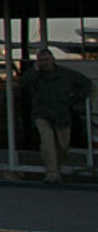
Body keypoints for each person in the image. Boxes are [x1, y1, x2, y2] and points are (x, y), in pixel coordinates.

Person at [19, 47, 93, 183]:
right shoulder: (35, 75)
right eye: (40, 60)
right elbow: (23, 84)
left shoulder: (66, 74)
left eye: (46, 60)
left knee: (63, 147)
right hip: (42, 113)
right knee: (47, 142)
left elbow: (86, 83)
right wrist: (34, 70)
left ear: (53, 60)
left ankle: (56, 168)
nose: (43, 63)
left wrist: (74, 99)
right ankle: (51, 172)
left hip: (61, 114)